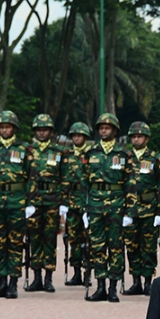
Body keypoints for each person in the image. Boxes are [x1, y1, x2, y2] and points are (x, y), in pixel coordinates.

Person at [0, 110, 31, 300]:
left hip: (17, 201)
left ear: (14, 128)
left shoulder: (24, 149)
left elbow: (31, 177)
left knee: (15, 242)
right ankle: (1, 281)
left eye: (7, 126)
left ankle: (12, 284)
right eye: (1, 127)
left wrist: (30, 202)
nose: (4, 130)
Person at [83, 113, 133, 303]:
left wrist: (129, 211)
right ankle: (100, 286)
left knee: (115, 247)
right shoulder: (91, 153)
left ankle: (113, 287)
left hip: (116, 205)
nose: (104, 130)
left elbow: (130, 183)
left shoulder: (123, 154)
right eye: (101, 127)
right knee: (97, 247)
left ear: (114, 130)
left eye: (107, 127)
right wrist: (84, 208)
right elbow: (84, 182)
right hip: (95, 205)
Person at [121, 121, 160, 296]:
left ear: (146, 138)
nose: (136, 139)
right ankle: (135, 281)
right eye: (134, 136)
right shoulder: (125, 158)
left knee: (148, 247)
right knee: (132, 246)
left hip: (149, 210)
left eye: (139, 136)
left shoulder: (155, 159)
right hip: (130, 210)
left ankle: (148, 281)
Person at [25, 114, 65, 294]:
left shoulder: (58, 152)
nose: (41, 133)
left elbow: (64, 178)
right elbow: (23, 175)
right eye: (39, 130)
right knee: (34, 238)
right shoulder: (27, 151)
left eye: (45, 130)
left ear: (51, 132)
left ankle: (48, 278)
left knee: (49, 238)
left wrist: (63, 201)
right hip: (33, 200)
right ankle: (36, 278)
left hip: (52, 200)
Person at [64, 122, 93, 287]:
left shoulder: (90, 155)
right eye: (74, 135)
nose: (76, 138)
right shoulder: (67, 155)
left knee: (87, 240)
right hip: (71, 201)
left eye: (79, 135)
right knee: (73, 238)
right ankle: (76, 272)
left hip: (87, 201)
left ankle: (88, 272)